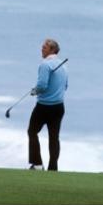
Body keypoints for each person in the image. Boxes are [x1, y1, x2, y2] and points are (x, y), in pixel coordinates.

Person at [27, 39, 68, 171]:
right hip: (59, 107)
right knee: (54, 137)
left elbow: (42, 85)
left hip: (44, 107)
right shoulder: (63, 66)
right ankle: (53, 168)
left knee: (32, 131)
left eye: (45, 47)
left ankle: (37, 164)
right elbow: (65, 86)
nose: (42, 49)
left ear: (52, 50)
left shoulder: (45, 65)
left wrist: (34, 91)